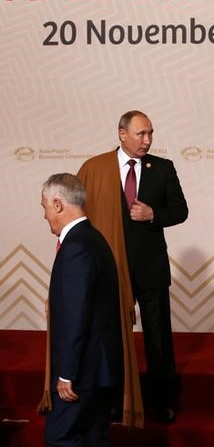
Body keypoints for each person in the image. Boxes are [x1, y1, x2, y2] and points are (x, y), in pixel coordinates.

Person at [77, 110, 189, 424]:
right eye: (141, 134)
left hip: (150, 268)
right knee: (111, 337)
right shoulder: (97, 169)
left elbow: (180, 210)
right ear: (122, 134)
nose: (147, 140)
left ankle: (163, 400)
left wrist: (154, 214)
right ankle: (115, 401)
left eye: (150, 133)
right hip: (110, 268)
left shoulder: (162, 168)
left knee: (158, 340)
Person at [39, 173, 122, 447]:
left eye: (45, 207)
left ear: (58, 204)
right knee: (93, 439)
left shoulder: (76, 247)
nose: (45, 215)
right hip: (99, 371)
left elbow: (77, 316)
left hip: (80, 375)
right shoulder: (94, 239)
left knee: (60, 438)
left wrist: (66, 374)